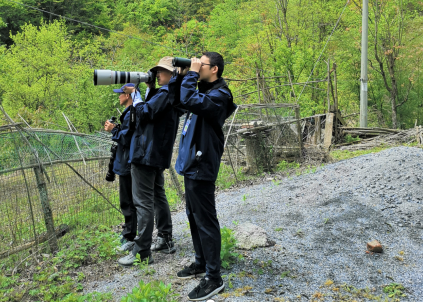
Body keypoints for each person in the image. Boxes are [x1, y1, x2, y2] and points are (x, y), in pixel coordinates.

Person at [174, 52, 237, 301]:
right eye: (196, 63)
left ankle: (214, 277)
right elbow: (179, 101)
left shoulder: (221, 95)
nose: (197, 67)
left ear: (215, 70)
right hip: (192, 163)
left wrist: (190, 74)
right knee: (193, 215)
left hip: (202, 164)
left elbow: (191, 100)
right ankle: (201, 262)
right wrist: (182, 76)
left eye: (202, 64)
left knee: (206, 220)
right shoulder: (201, 90)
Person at [117, 57, 182, 266]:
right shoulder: (169, 93)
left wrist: (135, 95)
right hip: (155, 154)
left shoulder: (166, 92)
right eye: (157, 71)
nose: (158, 74)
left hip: (145, 154)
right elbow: (155, 113)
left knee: (143, 202)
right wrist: (149, 89)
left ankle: (142, 252)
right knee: (158, 196)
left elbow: (144, 113)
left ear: (173, 74)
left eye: (162, 71)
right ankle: (165, 238)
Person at [104, 83, 142, 252]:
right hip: (126, 162)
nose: (118, 96)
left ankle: (129, 236)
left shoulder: (131, 113)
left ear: (127, 95)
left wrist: (114, 130)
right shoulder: (129, 113)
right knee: (129, 200)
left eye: (120, 94)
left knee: (127, 201)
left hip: (127, 163)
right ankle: (130, 232)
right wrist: (117, 129)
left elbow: (128, 139)